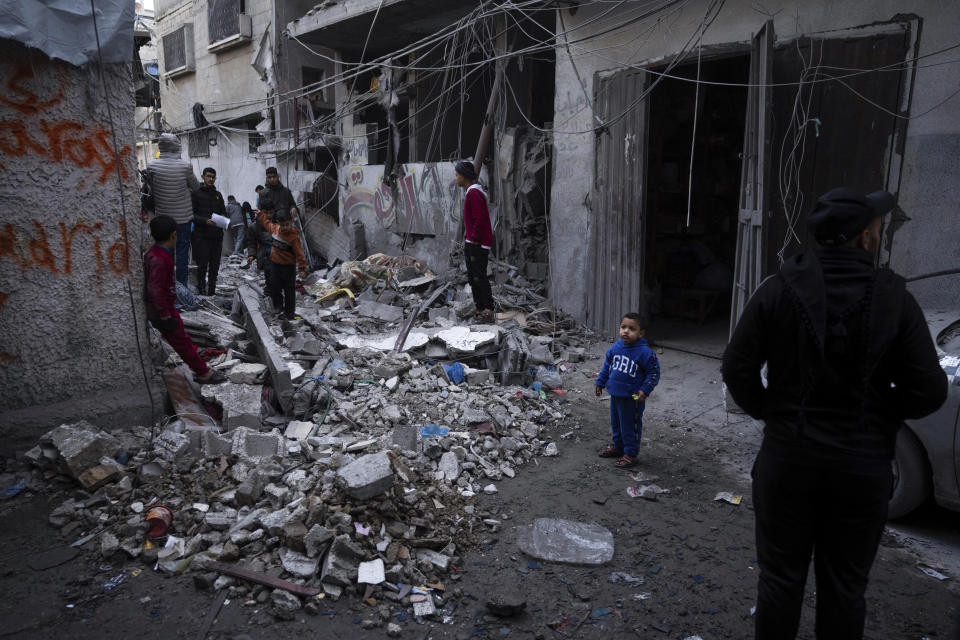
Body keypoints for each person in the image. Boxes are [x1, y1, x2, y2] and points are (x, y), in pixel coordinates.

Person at [722, 187, 947, 640]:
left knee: (780, 581)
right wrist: (881, 414)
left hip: (788, 460)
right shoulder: (896, 300)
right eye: (878, 227)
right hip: (860, 467)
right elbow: (929, 389)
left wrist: (772, 413)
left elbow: (736, 367)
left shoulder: (777, 290)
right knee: (845, 587)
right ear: (864, 238)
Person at [143, 215, 225, 384]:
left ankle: (200, 365)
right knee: (182, 342)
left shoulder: (154, 253)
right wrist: (164, 313)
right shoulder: (161, 258)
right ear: (174, 235)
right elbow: (155, 288)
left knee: (182, 341)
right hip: (163, 310)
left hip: (161, 307)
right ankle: (203, 373)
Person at [594, 312, 661, 468]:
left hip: (632, 396)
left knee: (630, 425)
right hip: (616, 394)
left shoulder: (645, 353)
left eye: (632, 329)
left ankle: (631, 454)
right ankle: (618, 448)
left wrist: (645, 389)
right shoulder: (617, 347)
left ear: (641, 333)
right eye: (623, 327)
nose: (626, 331)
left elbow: (654, 373)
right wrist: (600, 382)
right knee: (616, 423)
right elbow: (607, 366)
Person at [145, 133, 200, 286]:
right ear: (176, 146)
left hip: (163, 219)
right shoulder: (185, 166)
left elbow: (152, 189)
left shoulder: (151, 166)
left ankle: (167, 286)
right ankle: (181, 289)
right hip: (183, 220)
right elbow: (195, 187)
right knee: (182, 254)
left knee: (166, 254)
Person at [454, 160, 494, 322]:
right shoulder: (471, 193)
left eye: (457, 175)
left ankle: (488, 309)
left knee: (479, 276)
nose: (456, 178)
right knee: (473, 277)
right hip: (472, 242)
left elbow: (480, 219)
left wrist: (475, 239)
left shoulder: (474, 194)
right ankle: (480, 308)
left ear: (464, 177)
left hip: (477, 243)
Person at [256, 206, 306, 318]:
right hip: (275, 265)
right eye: (282, 225)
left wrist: (302, 268)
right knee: (274, 286)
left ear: (291, 222)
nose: (285, 227)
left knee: (289, 291)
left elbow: (299, 253)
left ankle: (289, 313)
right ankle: (278, 306)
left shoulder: (293, 237)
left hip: (288, 267)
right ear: (279, 223)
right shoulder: (276, 229)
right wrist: (260, 214)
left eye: (287, 224)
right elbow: (267, 223)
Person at [191, 167, 226, 296]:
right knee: (202, 265)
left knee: (215, 266)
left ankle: (211, 291)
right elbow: (191, 215)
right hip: (202, 236)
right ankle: (201, 290)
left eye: (213, 177)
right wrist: (205, 221)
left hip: (217, 236)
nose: (211, 179)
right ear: (203, 177)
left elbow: (223, 211)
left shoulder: (218, 195)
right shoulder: (196, 194)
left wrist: (224, 220)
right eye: (208, 176)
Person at [244, 196, 275, 291]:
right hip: (265, 255)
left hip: (279, 254)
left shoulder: (279, 223)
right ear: (261, 211)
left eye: (271, 213)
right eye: (266, 213)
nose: (268, 215)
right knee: (269, 274)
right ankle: (270, 292)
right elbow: (251, 242)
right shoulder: (254, 227)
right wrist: (252, 255)